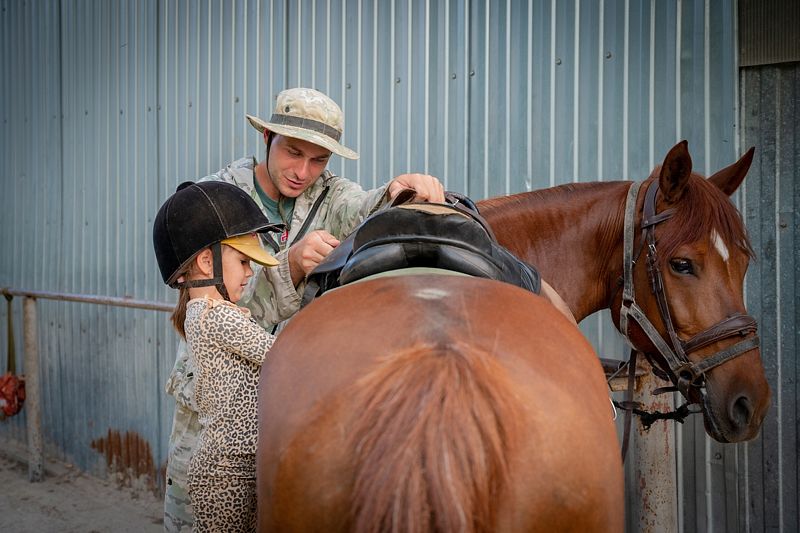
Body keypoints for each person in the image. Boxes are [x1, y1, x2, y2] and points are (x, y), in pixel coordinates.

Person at [163, 87, 446, 531]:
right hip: (216, 411)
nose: (302, 172)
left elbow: (362, 207)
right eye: (293, 153)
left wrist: (396, 191)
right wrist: (290, 264)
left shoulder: (331, 195)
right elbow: (209, 298)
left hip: (289, 405)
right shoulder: (216, 199)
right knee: (194, 517)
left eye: (318, 161)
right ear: (267, 139)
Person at [154, 180, 283, 532]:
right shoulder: (219, 316)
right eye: (243, 261)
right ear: (206, 260)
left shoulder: (200, 314)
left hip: (231, 464)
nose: (249, 272)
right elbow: (282, 357)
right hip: (229, 470)